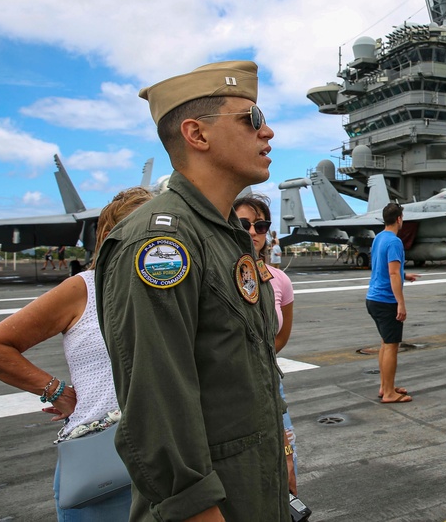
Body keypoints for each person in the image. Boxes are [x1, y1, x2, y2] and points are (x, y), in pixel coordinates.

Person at [94, 60, 288, 521]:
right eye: (252, 119)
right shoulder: (162, 244)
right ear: (197, 135)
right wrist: (197, 509)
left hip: (254, 491)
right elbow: (155, 405)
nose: (269, 132)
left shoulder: (225, 236)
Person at [0, 186, 153, 521]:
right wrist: (56, 391)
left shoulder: (169, 290)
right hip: (103, 464)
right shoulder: (83, 288)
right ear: (110, 235)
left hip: (165, 459)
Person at [233, 193, 298, 496]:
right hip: (230, 393)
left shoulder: (280, 280)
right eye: (243, 223)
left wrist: (262, 358)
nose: (253, 232)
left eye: (261, 226)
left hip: (270, 385)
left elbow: (282, 334)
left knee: (287, 472)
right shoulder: (216, 275)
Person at [366, 202, 418, 403]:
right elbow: (393, 272)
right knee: (391, 347)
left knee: (385, 344)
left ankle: (385, 386)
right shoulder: (395, 241)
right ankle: (389, 394)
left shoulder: (379, 238)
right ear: (399, 219)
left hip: (373, 298)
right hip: (386, 301)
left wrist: (405, 275)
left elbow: (385, 269)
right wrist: (401, 303)